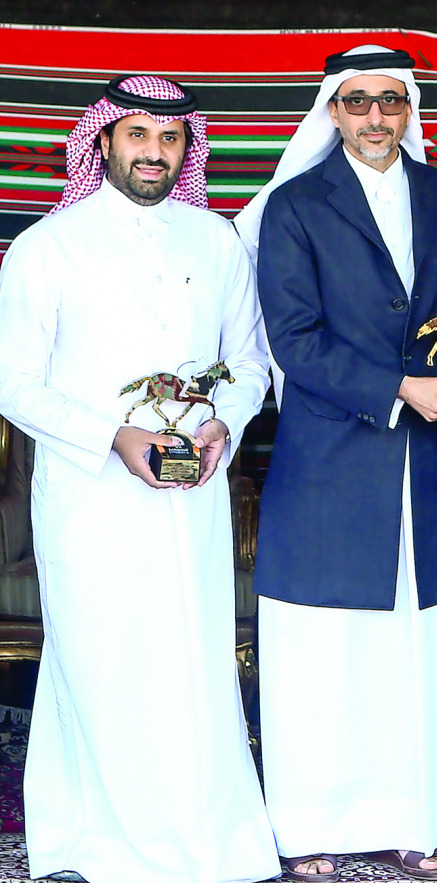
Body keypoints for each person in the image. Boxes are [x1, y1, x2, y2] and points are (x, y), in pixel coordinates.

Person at [0, 75, 278, 883]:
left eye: (170, 140)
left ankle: (208, 840)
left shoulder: (216, 240)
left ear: (187, 149)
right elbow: (14, 382)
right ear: (104, 142)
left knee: (191, 655)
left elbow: (250, 360)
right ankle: (102, 841)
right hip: (92, 494)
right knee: (103, 654)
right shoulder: (48, 246)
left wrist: (225, 417)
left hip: (192, 487)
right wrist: (112, 437)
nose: (154, 153)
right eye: (137, 137)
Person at [233, 45, 437, 882]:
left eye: (392, 102)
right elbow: (292, 342)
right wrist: (399, 387)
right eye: (359, 102)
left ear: (409, 110)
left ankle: (415, 816)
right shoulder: (294, 205)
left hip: (425, 455)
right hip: (333, 455)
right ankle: (309, 826)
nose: (377, 118)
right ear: (333, 111)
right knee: (324, 647)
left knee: (415, 637)